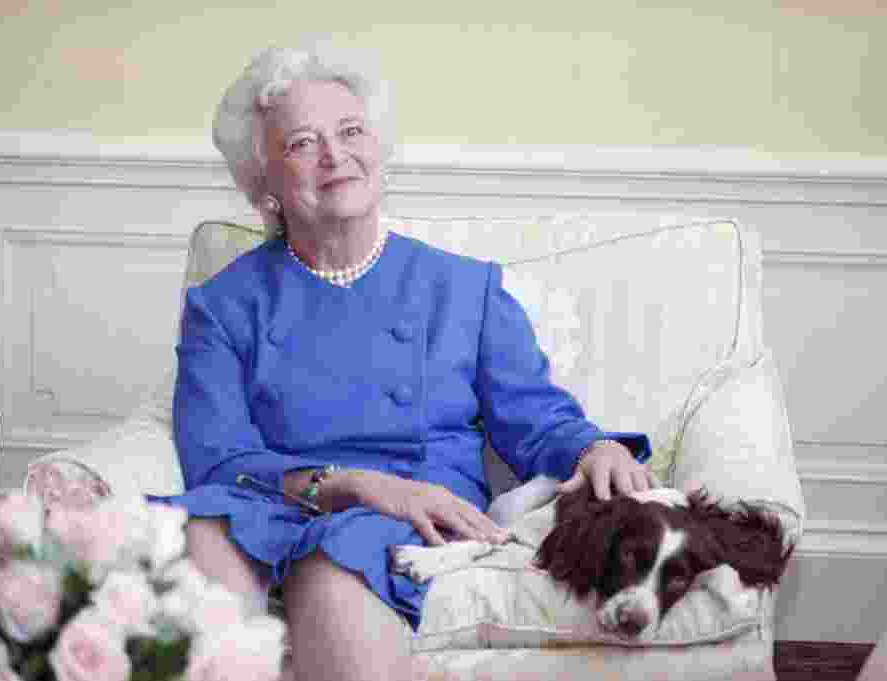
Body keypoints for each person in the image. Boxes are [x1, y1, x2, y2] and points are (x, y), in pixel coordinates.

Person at [159, 44, 655, 681]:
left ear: (378, 148)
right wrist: (348, 483)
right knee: (200, 534)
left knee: (333, 563)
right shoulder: (224, 305)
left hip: (410, 509)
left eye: (350, 131)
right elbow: (217, 459)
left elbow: (535, 418)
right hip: (277, 499)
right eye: (303, 143)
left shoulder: (464, 289)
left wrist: (593, 449)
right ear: (266, 185)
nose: (334, 155)